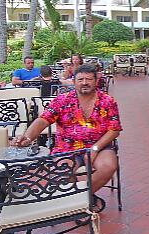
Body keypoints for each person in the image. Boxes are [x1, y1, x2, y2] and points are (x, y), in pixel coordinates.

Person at [12, 64, 122, 193]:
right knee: (59, 172)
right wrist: (28, 137)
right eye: (80, 80)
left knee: (108, 167)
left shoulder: (107, 101)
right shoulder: (62, 100)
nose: (85, 83)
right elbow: (43, 120)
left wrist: (95, 148)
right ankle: (77, 199)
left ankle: (83, 197)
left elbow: (114, 129)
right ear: (73, 81)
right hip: (67, 146)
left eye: (89, 79)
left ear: (96, 81)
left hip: (100, 146)